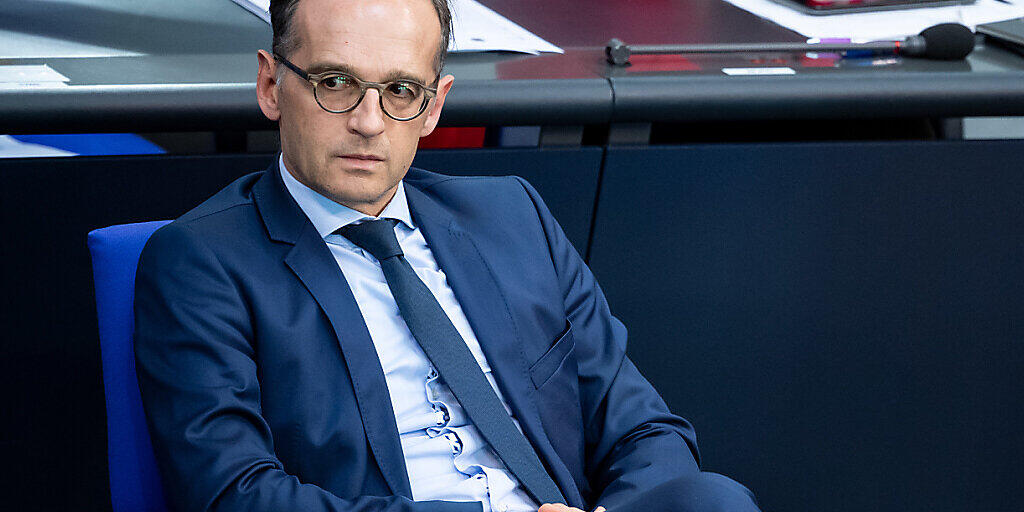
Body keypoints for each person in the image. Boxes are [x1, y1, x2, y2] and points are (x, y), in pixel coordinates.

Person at [133, 0, 761, 511]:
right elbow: (232, 495)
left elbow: (643, 429)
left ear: (434, 104)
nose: (370, 122)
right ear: (272, 85)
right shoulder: (200, 260)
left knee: (715, 501)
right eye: (335, 83)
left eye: (401, 90)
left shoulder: (514, 216)